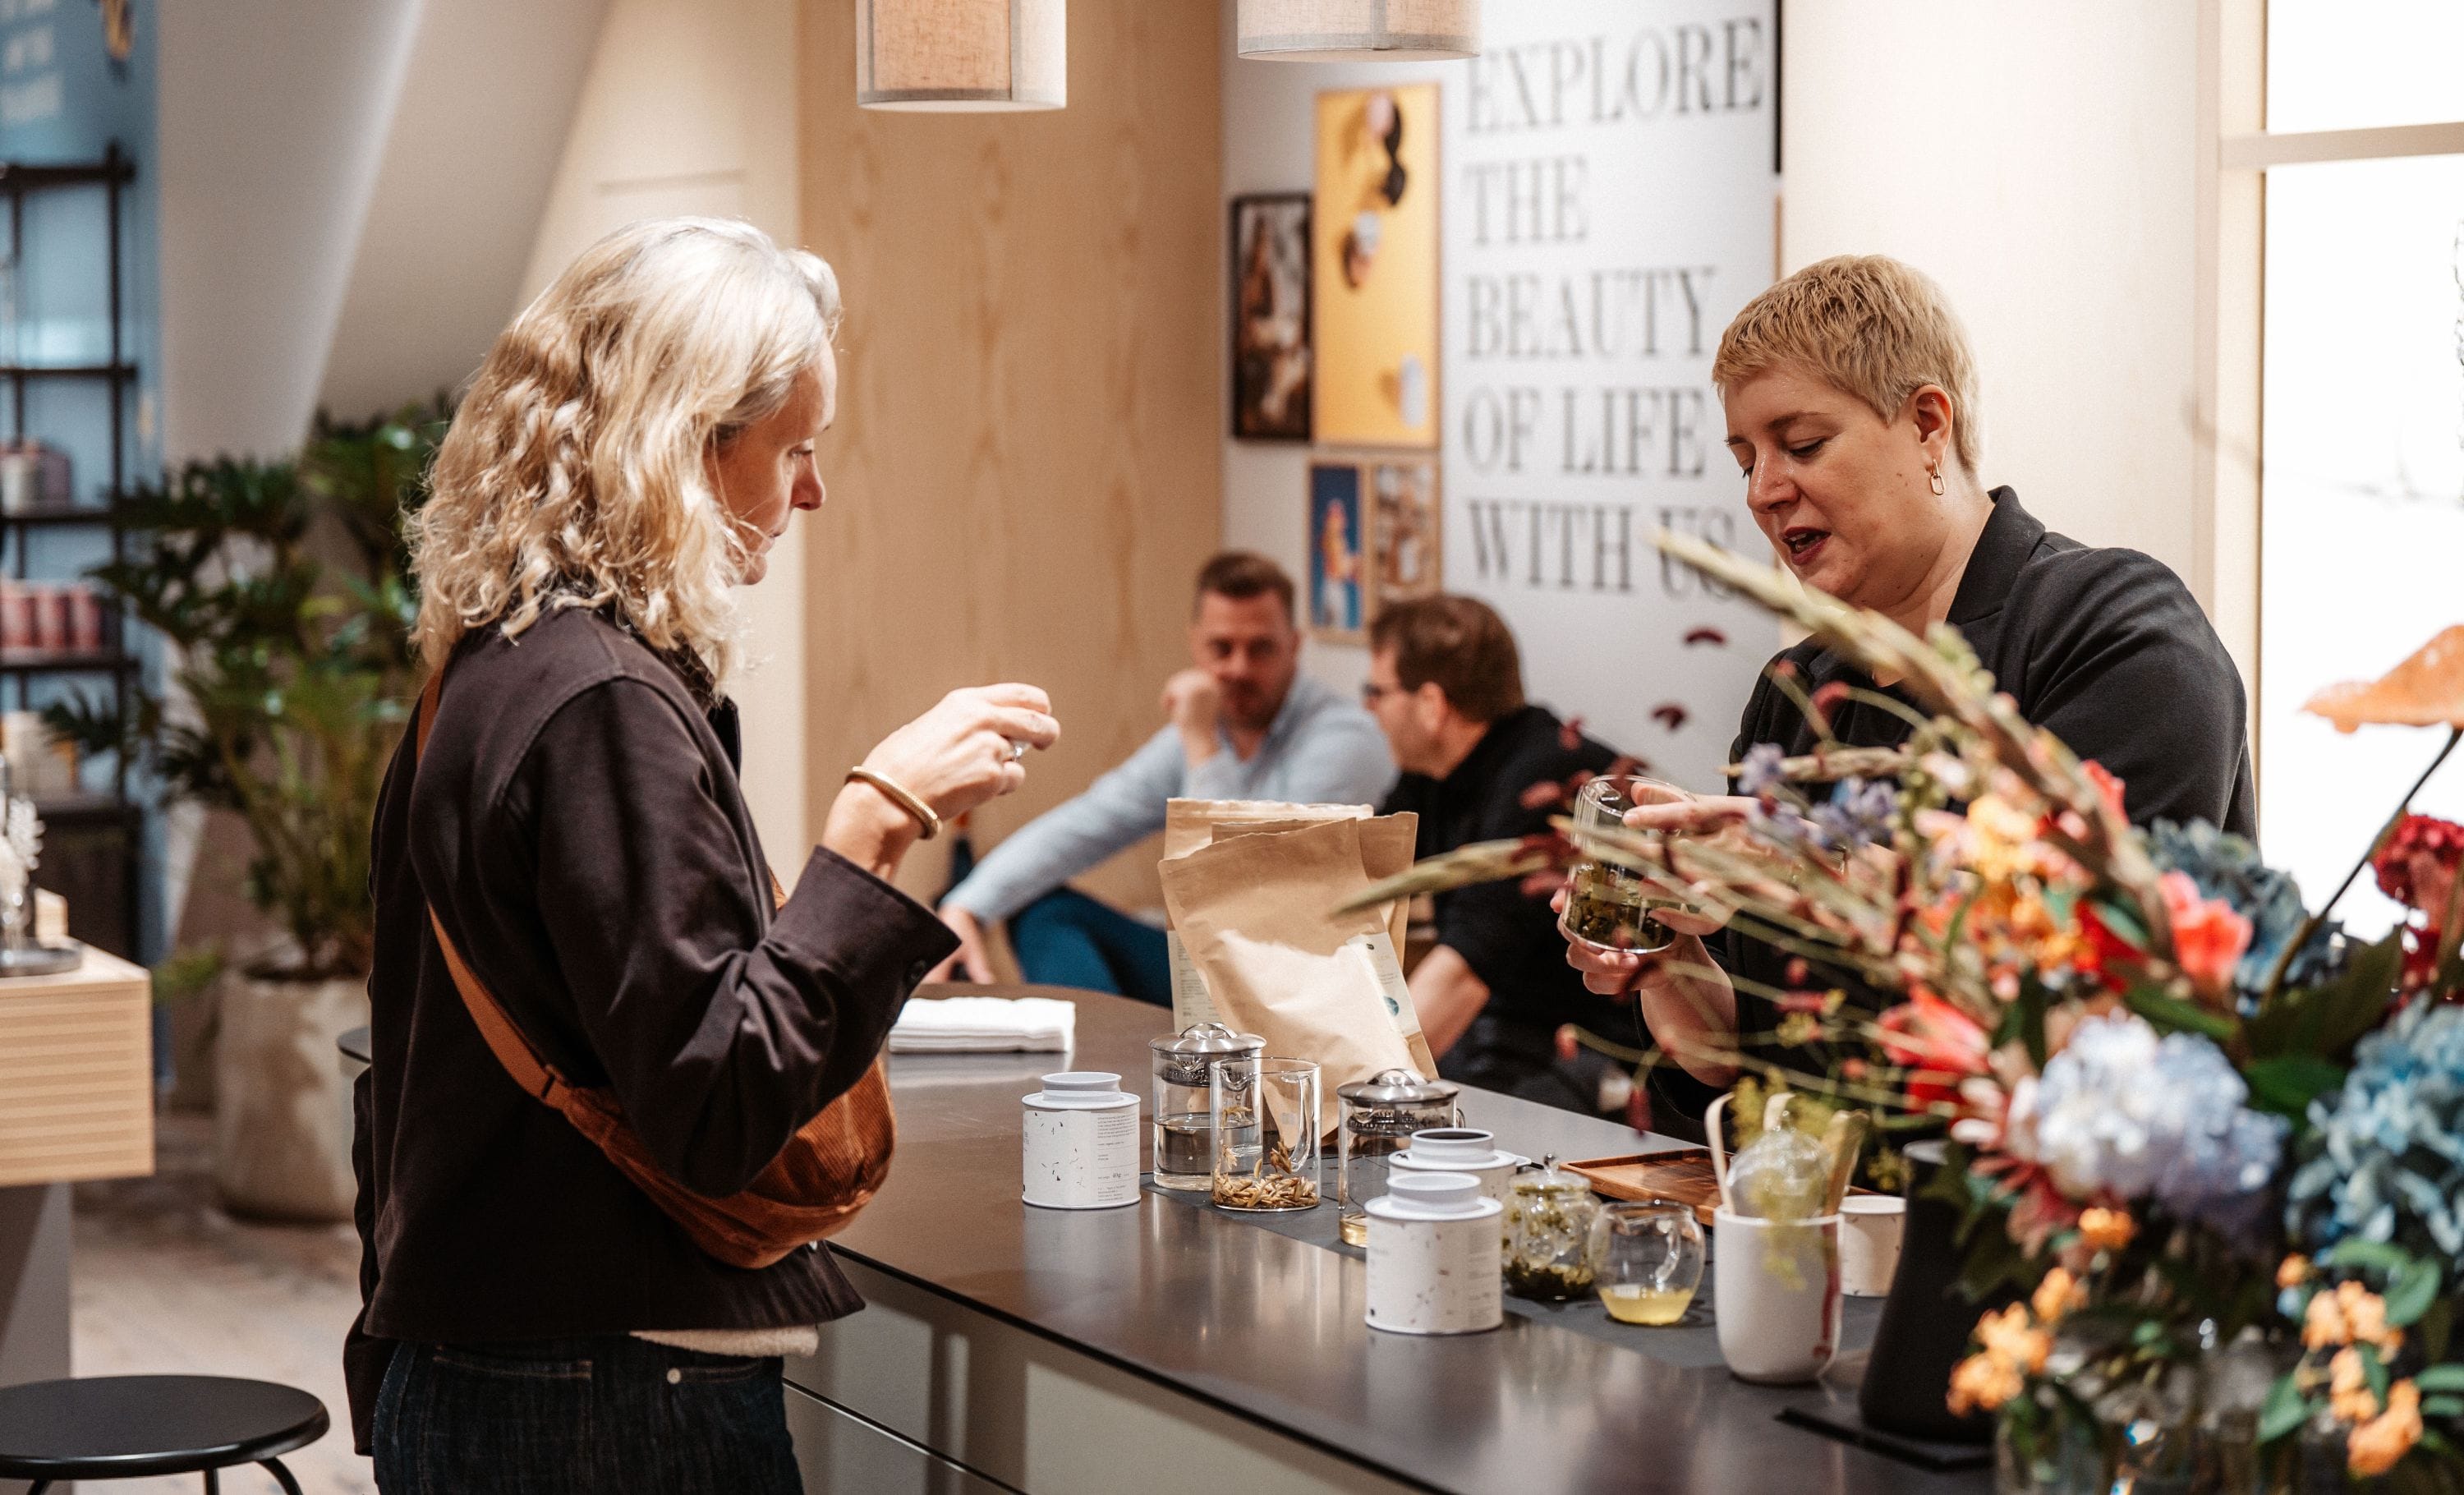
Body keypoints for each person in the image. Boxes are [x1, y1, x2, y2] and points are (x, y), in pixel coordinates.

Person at [350, 218, 1061, 1493]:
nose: (811, 492)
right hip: (602, 1395)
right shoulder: (600, 703)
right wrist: (876, 817)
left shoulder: (496, 667)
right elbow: (717, 1103)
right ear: (678, 446)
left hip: (496, 1359)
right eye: (791, 448)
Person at [1565, 254, 2255, 1099]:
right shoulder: (1797, 689)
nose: (1765, 492)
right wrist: (1672, 961)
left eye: (1803, 444)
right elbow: (1752, 1057)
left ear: (1930, 423)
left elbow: (2081, 962)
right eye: (1746, 459)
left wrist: (1802, 864)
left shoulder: (2117, 631)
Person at [931, 552, 1393, 1001]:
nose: (1238, 668)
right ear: (1195, 645)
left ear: (1294, 645)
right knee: (1043, 910)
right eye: (1221, 648)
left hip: (1302, 986)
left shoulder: (1346, 740)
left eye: (1260, 648)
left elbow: (1241, 890)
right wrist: (965, 905)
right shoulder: (1205, 729)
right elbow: (1089, 821)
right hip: (1215, 973)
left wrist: (1201, 744)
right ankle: (1094, 1073)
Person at [1366, 595, 1636, 1116]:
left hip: (1590, 1055)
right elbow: (1358, 877)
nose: (1369, 710)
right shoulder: (1435, 773)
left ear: (1431, 704)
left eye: (1376, 693)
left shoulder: (1542, 783)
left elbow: (1462, 977)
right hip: (1503, 1033)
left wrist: (1343, 1094)